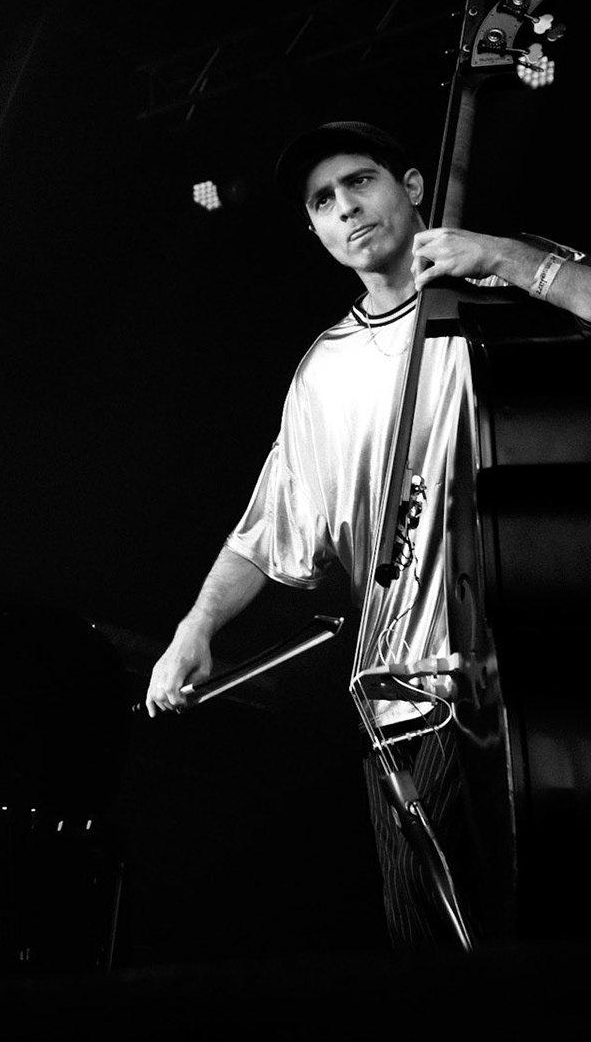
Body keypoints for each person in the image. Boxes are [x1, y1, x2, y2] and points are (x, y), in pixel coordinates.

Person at [143, 121, 587, 949]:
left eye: (360, 181)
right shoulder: (324, 371)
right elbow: (266, 527)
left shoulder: (503, 288)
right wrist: (196, 626)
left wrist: (509, 260)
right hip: (400, 713)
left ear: (413, 185)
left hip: (541, 683)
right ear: (312, 230)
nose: (347, 208)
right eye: (323, 201)